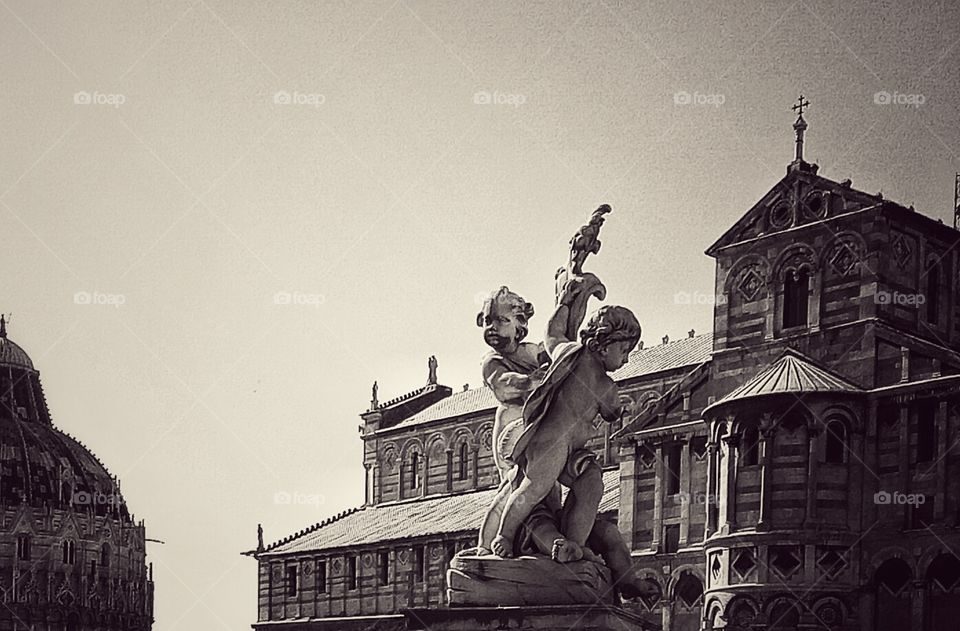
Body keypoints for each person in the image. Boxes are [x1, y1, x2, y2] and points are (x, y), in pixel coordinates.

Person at [491, 283, 640, 564]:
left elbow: (553, 333)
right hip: (552, 441)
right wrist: (564, 303)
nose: (626, 358)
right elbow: (552, 335)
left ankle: (573, 544)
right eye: (623, 350)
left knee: (592, 482)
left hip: (575, 452)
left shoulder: (601, 380)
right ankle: (504, 535)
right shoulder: (578, 361)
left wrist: (563, 305)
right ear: (602, 343)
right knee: (532, 489)